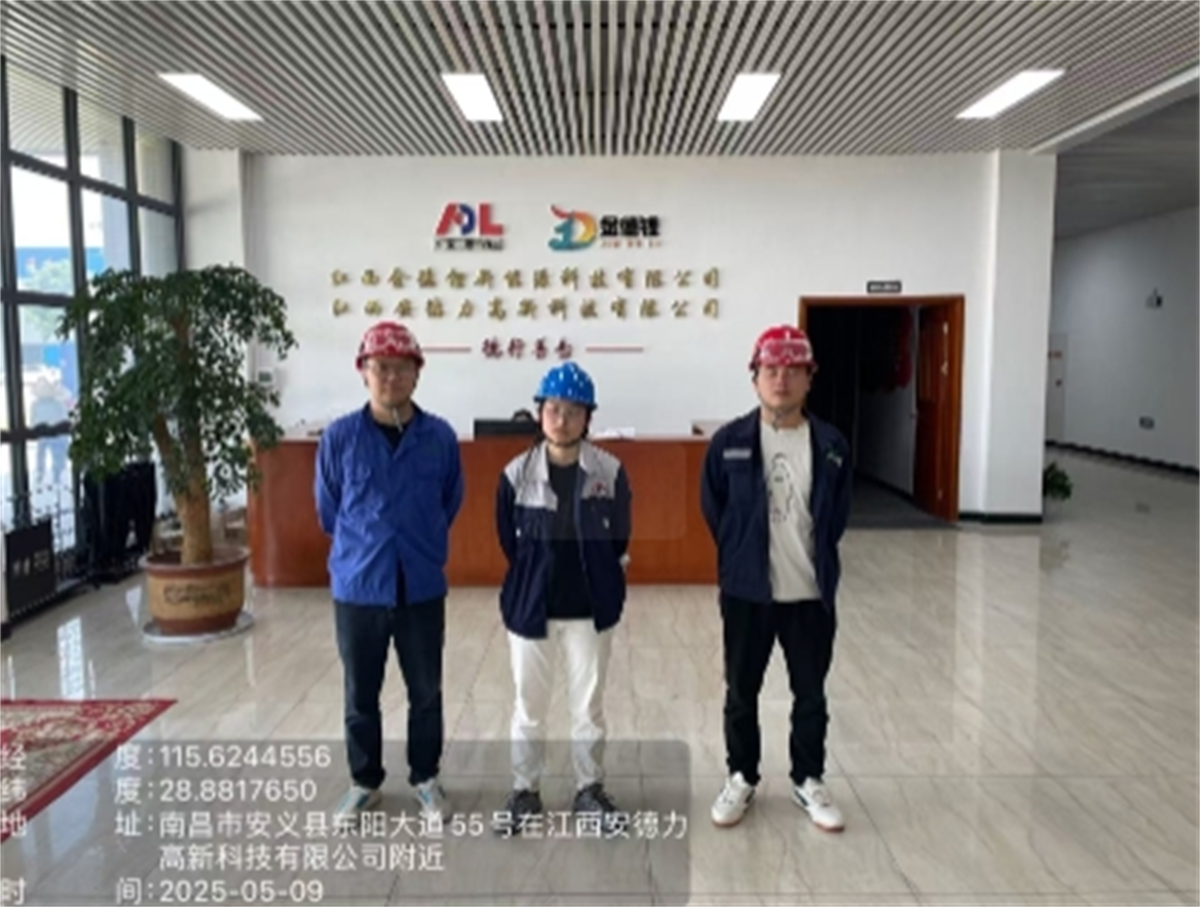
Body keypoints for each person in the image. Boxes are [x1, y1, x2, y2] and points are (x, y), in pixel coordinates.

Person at [700, 325, 852, 833]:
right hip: (747, 593)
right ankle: (741, 776)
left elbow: (836, 516)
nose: (780, 379)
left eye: (792, 370)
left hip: (810, 594)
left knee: (810, 694)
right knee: (741, 693)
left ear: (810, 378)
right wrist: (740, 559)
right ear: (755, 377)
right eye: (770, 369)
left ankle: (808, 779)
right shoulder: (729, 443)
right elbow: (714, 510)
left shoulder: (830, 445)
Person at [315, 321, 464, 826]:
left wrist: (418, 540)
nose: (391, 377)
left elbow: (450, 500)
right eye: (381, 367)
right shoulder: (339, 438)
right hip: (359, 586)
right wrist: (368, 545)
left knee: (426, 691)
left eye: (402, 368)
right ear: (363, 372)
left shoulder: (439, 437)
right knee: (361, 693)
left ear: (417, 374)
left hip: (420, 583)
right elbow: (329, 511)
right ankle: (365, 782)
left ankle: (426, 778)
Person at [493, 361, 632, 832]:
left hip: (590, 609)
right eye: (553, 408)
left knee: (588, 708)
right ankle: (525, 791)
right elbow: (508, 541)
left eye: (574, 411)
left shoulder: (610, 472)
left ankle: (588, 789)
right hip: (531, 608)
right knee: (528, 707)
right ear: (539, 413)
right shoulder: (515, 475)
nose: (562, 419)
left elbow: (620, 538)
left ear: (588, 417)